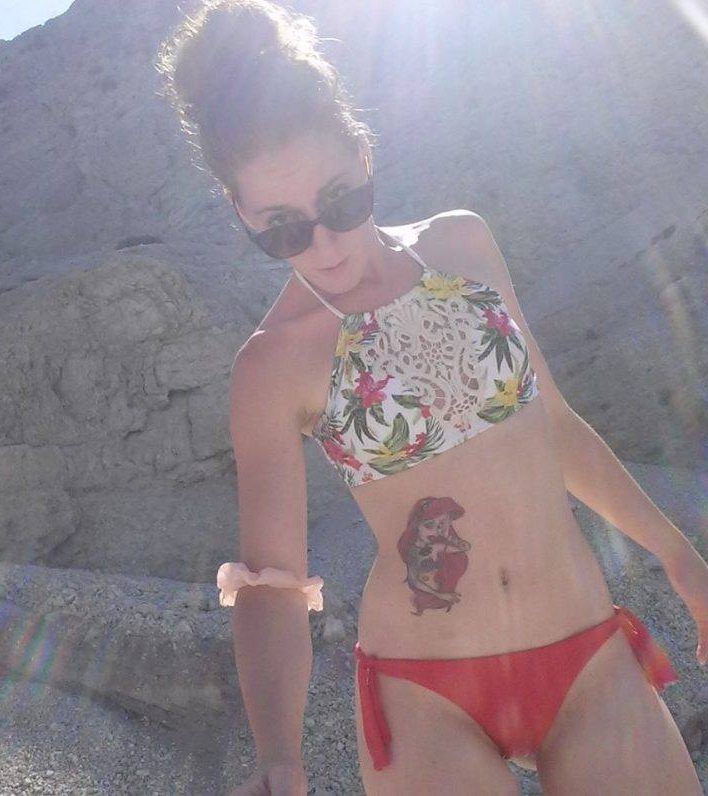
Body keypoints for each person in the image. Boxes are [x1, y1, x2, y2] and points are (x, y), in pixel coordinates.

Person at [156, 1, 708, 793]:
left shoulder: (462, 243)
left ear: (363, 151)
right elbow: (272, 583)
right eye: (283, 229)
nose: (325, 244)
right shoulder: (271, 367)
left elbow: (552, 424)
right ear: (240, 214)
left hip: (585, 652)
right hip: (425, 694)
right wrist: (279, 757)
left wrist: (678, 553)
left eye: (340, 201)